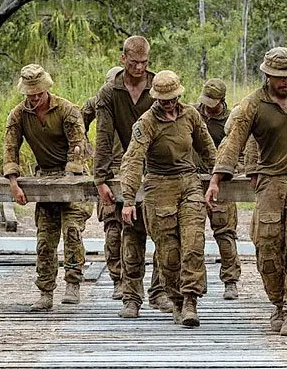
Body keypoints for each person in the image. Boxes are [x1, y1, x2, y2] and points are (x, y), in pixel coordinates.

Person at [206, 47, 287, 336]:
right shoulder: (253, 104)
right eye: (279, 77)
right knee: (267, 248)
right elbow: (233, 144)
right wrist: (217, 179)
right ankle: (278, 303)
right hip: (269, 183)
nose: (286, 82)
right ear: (266, 75)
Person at [119, 71, 216, 327]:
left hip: (188, 181)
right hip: (159, 185)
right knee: (168, 251)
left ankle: (191, 300)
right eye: (163, 100)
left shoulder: (190, 115)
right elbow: (132, 159)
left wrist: (218, 175)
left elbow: (206, 146)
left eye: (172, 99)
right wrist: (128, 199)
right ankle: (176, 300)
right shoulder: (146, 122)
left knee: (194, 243)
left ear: (179, 95)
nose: (169, 104)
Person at [94, 36, 171, 318]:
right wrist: (100, 179)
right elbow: (103, 137)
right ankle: (131, 295)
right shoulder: (109, 93)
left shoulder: (160, 87)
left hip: (160, 168)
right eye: (134, 61)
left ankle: (159, 291)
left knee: (163, 233)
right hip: (126, 167)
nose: (139, 67)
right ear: (123, 58)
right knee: (130, 233)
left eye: (145, 62)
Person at [4, 64, 92, 311]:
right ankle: (45, 291)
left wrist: (69, 177)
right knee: (44, 240)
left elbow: (79, 146)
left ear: (46, 91)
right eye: (29, 95)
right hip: (44, 180)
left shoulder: (67, 110)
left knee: (72, 231)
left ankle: (73, 282)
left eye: (38, 94)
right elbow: (10, 148)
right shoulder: (18, 115)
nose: (34, 99)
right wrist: (14, 182)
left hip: (72, 178)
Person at [195, 79, 242, 300]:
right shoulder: (193, 114)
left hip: (221, 182)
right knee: (191, 235)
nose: (208, 106)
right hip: (194, 181)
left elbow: (239, 149)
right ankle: (195, 283)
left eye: (212, 103)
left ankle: (230, 280)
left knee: (225, 233)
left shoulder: (231, 120)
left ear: (222, 101)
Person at [82, 66, 125, 299]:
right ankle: (118, 279)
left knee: (137, 229)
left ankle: (133, 281)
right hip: (107, 172)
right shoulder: (97, 100)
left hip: (134, 169)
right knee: (112, 227)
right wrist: (85, 149)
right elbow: (78, 124)